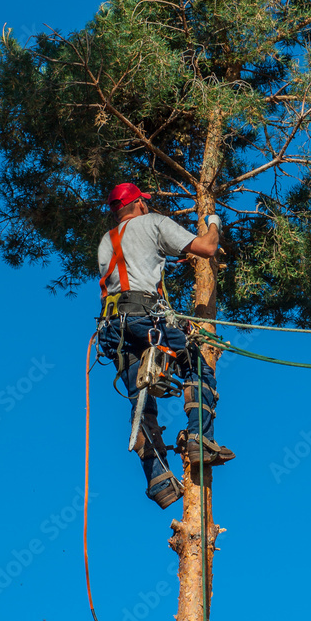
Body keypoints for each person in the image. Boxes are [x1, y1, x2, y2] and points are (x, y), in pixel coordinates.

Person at [97, 182, 234, 509]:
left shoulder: (108, 240)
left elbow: (135, 268)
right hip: (146, 318)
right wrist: (213, 222)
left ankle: (158, 480)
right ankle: (200, 438)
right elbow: (207, 248)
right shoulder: (153, 221)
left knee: (140, 400)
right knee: (196, 365)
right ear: (141, 204)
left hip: (113, 329)